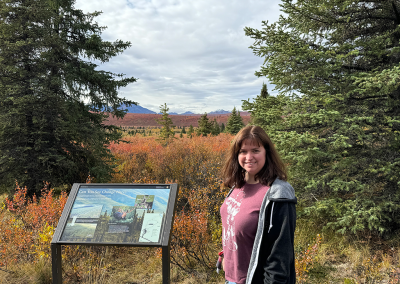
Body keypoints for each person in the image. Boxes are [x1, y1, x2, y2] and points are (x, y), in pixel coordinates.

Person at [220, 125, 297, 284]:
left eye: (255, 150)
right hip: (231, 278)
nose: (249, 157)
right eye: (243, 151)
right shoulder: (238, 185)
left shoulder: (278, 194)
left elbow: (280, 254)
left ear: (267, 153)